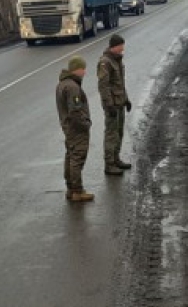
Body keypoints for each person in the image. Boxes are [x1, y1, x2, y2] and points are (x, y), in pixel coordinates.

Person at [56, 56, 94, 203]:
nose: (84, 72)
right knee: (77, 158)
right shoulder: (72, 87)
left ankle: (71, 188)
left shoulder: (62, 84)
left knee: (70, 156)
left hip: (68, 128)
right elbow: (75, 111)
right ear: (76, 69)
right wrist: (86, 124)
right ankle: (77, 191)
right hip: (76, 129)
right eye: (83, 69)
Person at [97, 33, 132, 175]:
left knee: (119, 133)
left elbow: (120, 84)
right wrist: (109, 105)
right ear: (115, 46)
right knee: (111, 134)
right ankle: (109, 164)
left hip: (120, 102)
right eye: (121, 46)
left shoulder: (117, 60)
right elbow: (103, 86)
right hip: (112, 105)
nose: (123, 49)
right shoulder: (105, 62)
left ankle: (116, 159)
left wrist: (126, 99)